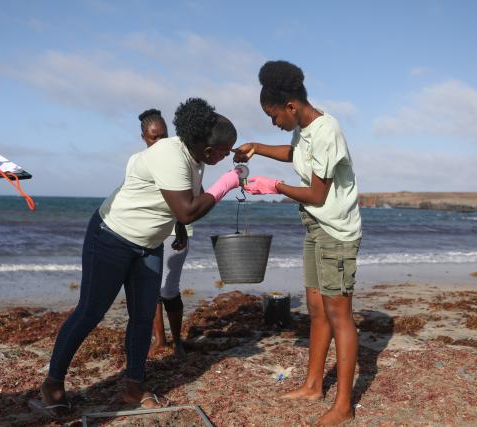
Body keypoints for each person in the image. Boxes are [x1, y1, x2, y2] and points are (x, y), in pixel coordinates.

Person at [37, 98, 242, 417]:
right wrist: (229, 182)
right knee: (90, 312)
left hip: (149, 244)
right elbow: (187, 210)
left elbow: (179, 202)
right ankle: (52, 383)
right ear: (204, 147)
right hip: (112, 236)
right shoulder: (169, 155)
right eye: (224, 150)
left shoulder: (196, 158)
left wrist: (178, 227)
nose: (227, 154)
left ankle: (133, 385)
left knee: (143, 316)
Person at [234, 60, 362, 426]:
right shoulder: (303, 130)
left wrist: (274, 187)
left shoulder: (326, 131)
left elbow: (318, 195)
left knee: (340, 315)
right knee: (316, 309)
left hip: (336, 231)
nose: (274, 122)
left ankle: (344, 405)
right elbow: (294, 155)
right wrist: (257, 148)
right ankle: (313, 384)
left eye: (273, 116)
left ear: (291, 106)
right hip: (315, 228)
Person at [137, 108, 189, 357]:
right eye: (153, 137)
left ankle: (177, 340)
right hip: (149, 231)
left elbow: (191, 198)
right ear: (143, 137)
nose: (159, 142)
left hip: (177, 231)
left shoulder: (179, 159)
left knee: (169, 289)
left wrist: (182, 226)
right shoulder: (141, 161)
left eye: (163, 136)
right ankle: (160, 340)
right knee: (150, 287)